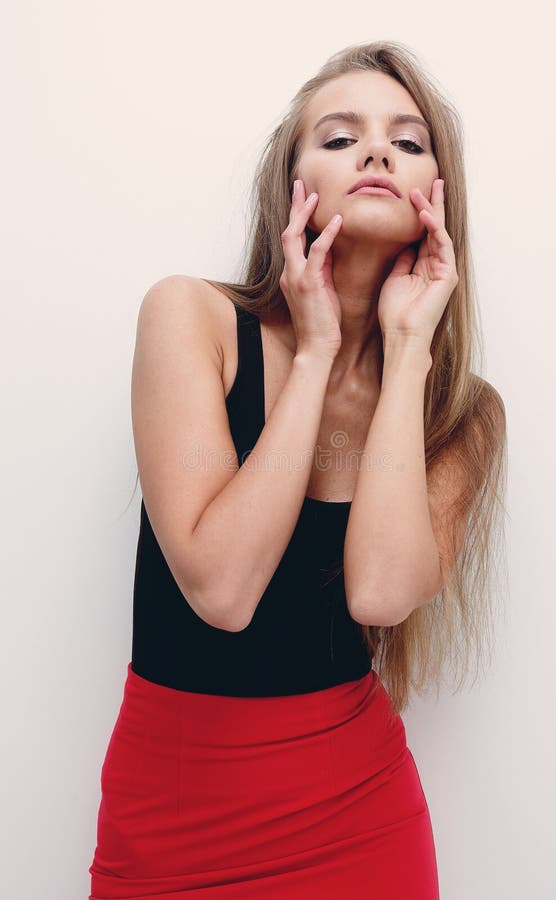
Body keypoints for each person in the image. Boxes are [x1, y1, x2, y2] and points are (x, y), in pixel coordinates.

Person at [88, 39, 507, 899]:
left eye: (409, 141)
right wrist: (315, 353)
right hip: (172, 813)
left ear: (440, 193)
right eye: (342, 135)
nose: (378, 152)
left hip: (359, 814)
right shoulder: (190, 319)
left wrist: (404, 349)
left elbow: (382, 593)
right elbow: (223, 590)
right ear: (295, 187)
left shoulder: (462, 411)